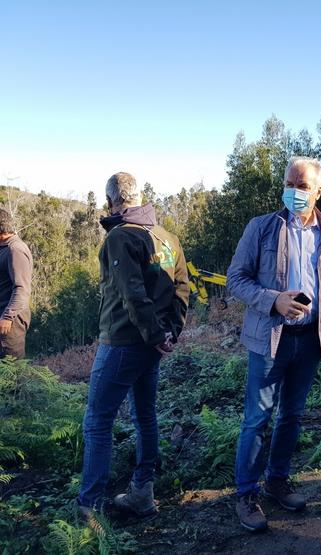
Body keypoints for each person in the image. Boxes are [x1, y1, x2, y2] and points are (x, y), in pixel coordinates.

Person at [227, 156, 321, 532]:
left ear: (319, 191)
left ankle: (277, 481)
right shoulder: (261, 228)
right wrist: (273, 299)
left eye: (303, 186)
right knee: (257, 419)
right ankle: (246, 493)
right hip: (269, 340)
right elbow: (236, 279)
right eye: (290, 184)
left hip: (309, 341)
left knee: (292, 417)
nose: (294, 192)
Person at [77, 172, 190, 521]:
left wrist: (156, 335)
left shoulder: (121, 237)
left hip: (124, 342)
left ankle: (90, 507)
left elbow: (132, 295)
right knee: (145, 416)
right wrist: (169, 333)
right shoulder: (167, 238)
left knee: (97, 421)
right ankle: (143, 492)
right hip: (151, 346)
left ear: (111, 200)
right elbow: (182, 289)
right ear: (139, 197)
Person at [0, 209, 32, 358]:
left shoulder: (15, 249)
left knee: (13, 370)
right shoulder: (4, 247)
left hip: (10, 322)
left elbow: (22, 288)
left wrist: (7, 317)